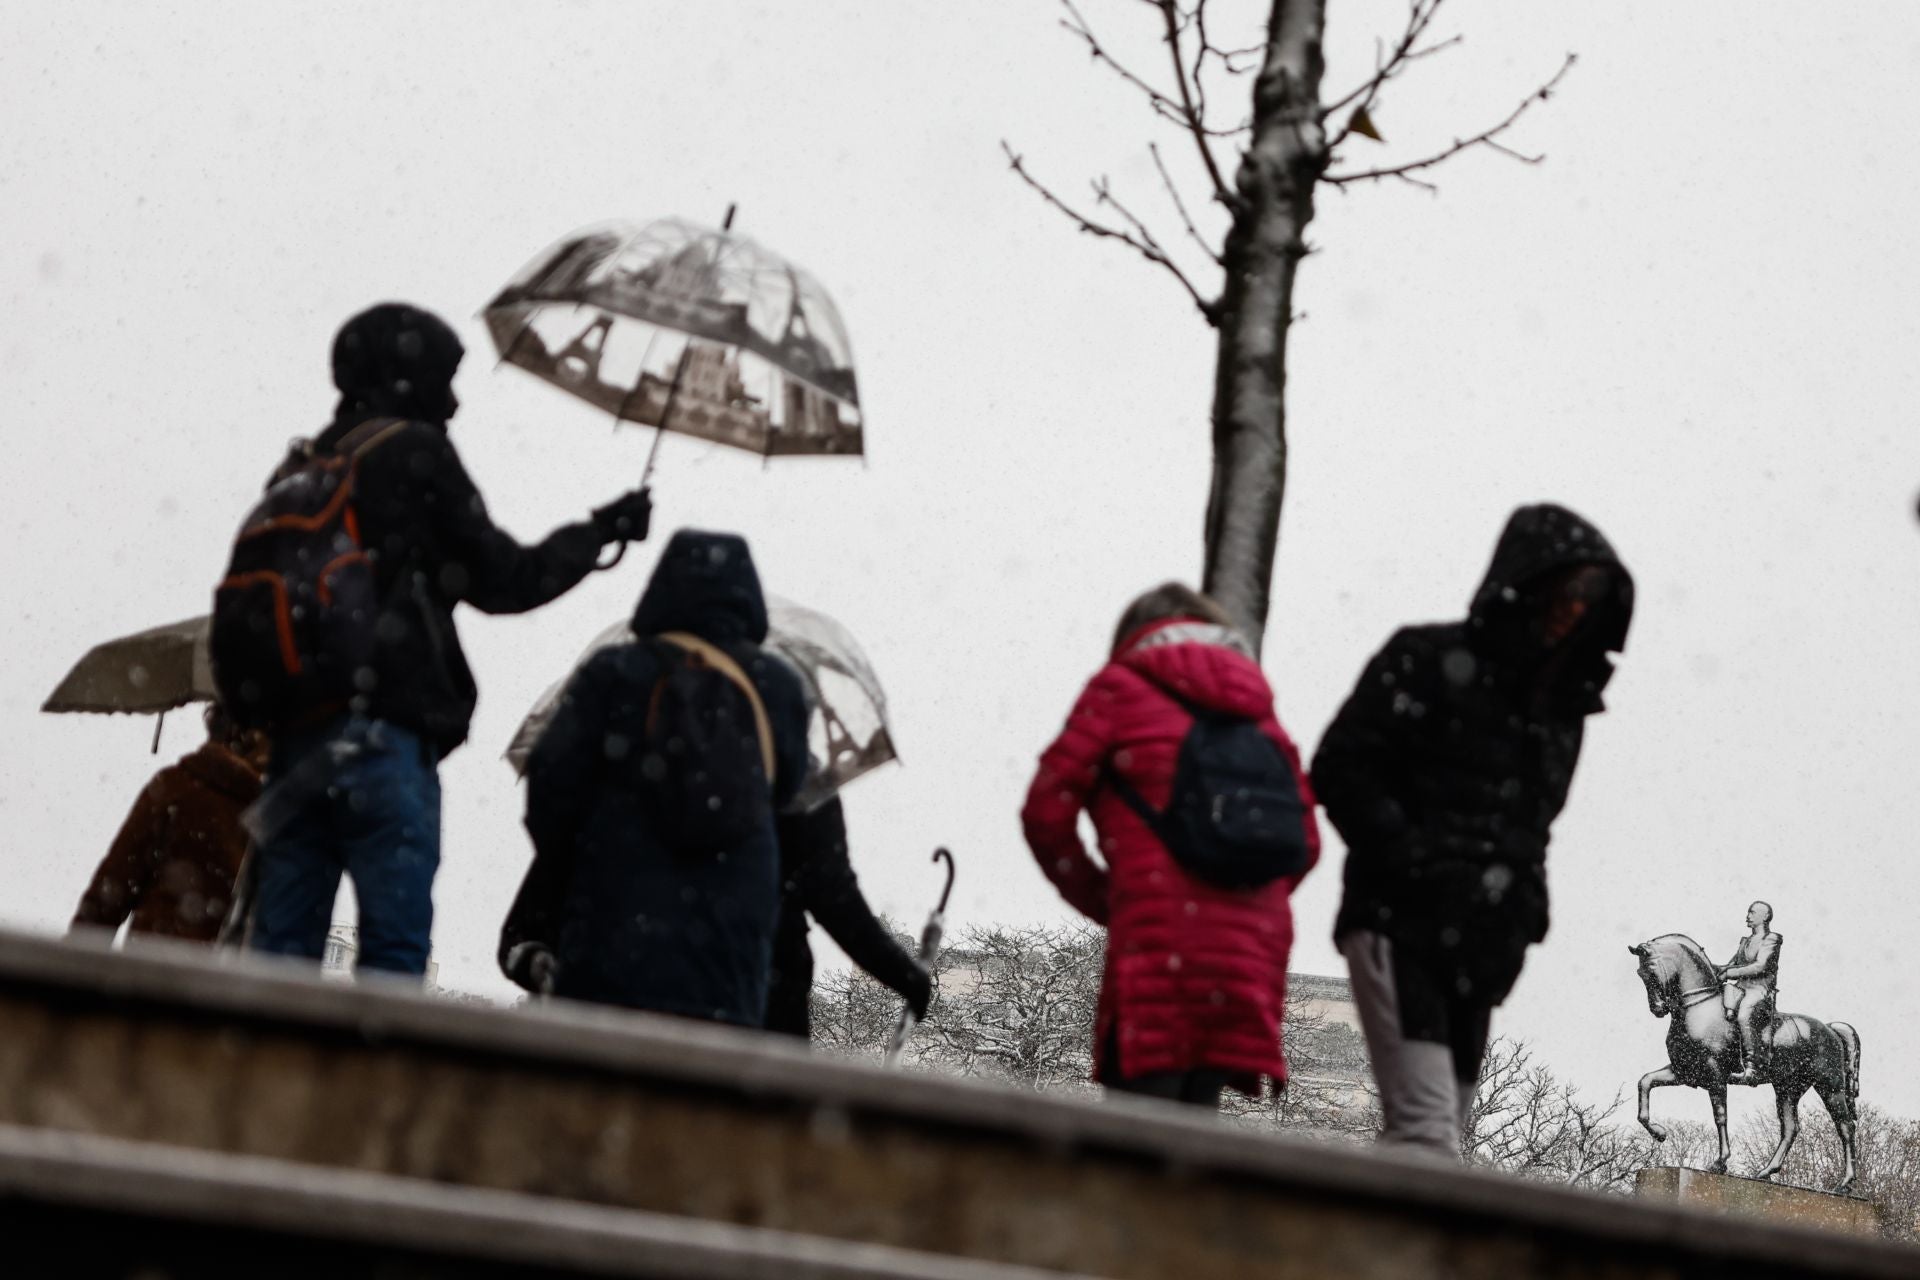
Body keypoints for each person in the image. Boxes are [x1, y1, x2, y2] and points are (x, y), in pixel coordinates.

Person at [245, 302, 655, 978]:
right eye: (445, 378)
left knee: (281, 954)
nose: (456, 403)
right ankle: (380, 1086)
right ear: (406, 377)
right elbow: (506, 580)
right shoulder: (417, 454)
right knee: (394, 953)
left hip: (298, 743)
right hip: (386, 737)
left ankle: (263, 1078)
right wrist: (599, 532)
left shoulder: (304, 466)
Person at [1313, 503, 1634, 1158]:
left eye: (1591, 599)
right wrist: (1413, 859)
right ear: (1529, 583)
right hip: (1399, 923)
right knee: (1426, 1132)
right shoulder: (1426, 658)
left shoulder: (1559, 714)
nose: (1574, 611)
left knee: (1443, 1135)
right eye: (1567, 592)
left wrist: (1521, 915)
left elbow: (1531, 830)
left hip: (1478, 946)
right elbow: (1342, 767)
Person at [1021, 583, 1319, 1108]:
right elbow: (1306, 841)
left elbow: (1046, 813)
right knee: (1194, 1130)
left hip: (1160, 934)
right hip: (1250, 951)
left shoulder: (1119, 686)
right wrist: (1235, 898)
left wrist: (1108, 897)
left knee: (1137, 1137)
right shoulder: (1255, 706)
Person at [499, 530, 810, 1026]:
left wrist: (588, 857)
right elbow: (789, 788)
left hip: (612, 931)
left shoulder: (612, 673)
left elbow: (550, 793)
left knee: (606, 1080)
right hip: (729, 945)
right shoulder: (778, 687)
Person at [71, 705, 267, 943]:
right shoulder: (277, 819)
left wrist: (69, 965)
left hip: (150, 965)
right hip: (224, 976)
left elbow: (113, 888)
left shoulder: (174, 787)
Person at [764, 796, 931, 1039]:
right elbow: (835, 897)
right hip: (765, 984)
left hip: (702, 980)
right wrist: (905, 975)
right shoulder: (800, 777)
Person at [1718, 900, 1782, 1084]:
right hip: (1740, 988)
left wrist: (1729, 973)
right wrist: (1713, 969)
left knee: (1744, 1015)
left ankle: (1751, 1067)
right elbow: (1732, 965)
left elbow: (1760, 966)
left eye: (1752, 912)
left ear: (1765, 917)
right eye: (1748, 912)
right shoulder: (1745, 941)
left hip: (1760, 989)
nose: (1748, 916)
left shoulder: (1771, 939)